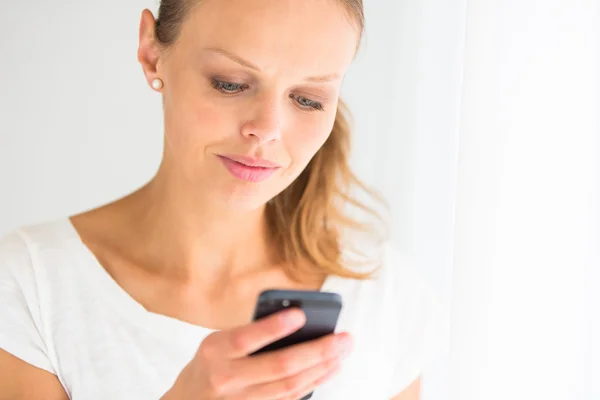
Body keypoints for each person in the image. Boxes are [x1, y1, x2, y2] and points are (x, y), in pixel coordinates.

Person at [0, 0, 447, 399]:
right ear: (152, 53)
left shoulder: (385, 296)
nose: (267, 128)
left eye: (308, 99)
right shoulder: (31, 287)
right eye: (231, 84)